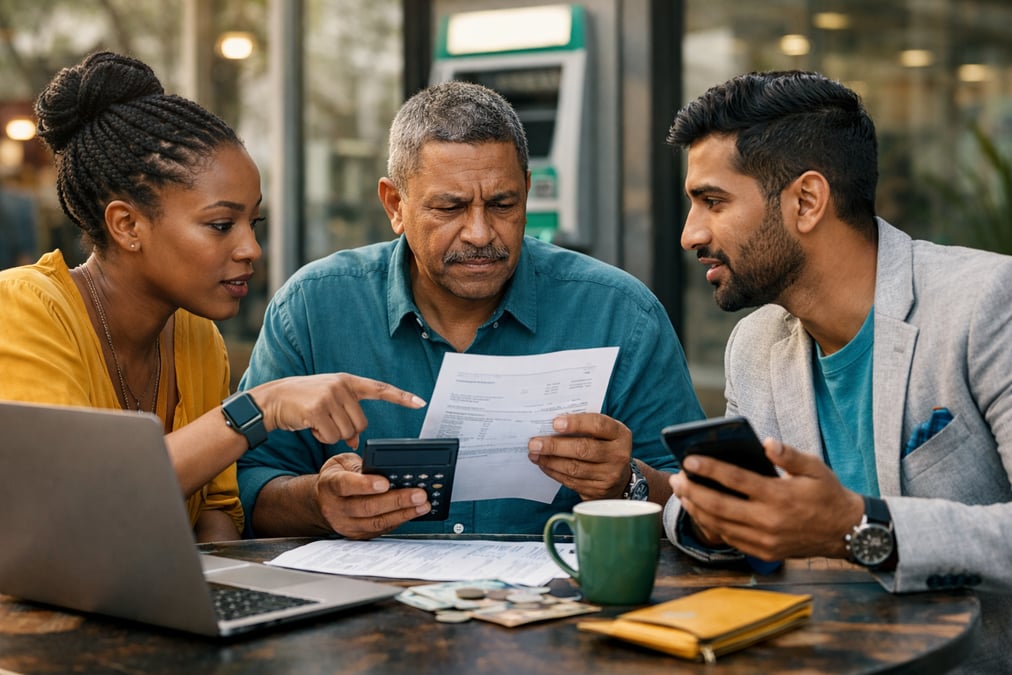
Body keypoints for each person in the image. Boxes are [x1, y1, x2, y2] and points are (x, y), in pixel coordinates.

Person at [237, 80, 704, 539]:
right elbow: (247, 486)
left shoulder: (619, 313)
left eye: (502, 204)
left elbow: (700, 503)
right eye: (451, 208)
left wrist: (626, 482)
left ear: (527, 190)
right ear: (395, 204)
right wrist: (320, 502)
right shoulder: (314, 309)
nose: (480, 233)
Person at [663, 69, 1011, 672]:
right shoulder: (754, 343)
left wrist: (856, 525)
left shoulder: (985, 303)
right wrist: (711, 518)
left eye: (713, 201)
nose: (691, 233)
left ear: (806, 201)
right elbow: (731, 518)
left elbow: (835, 528)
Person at [0, 51, 424, 543]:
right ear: (127, 225)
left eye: (253, 223)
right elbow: (79, 501)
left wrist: (230, 598)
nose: (251, 249)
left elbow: (217, 511)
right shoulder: (24, 308)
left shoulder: (198, 338)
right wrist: (260, 405)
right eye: (221, 225)